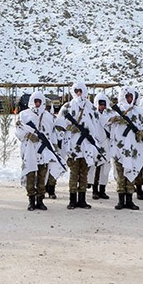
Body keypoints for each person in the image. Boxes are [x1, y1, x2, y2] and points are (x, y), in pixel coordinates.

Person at [55, 82, 105, 210]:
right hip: (72, 145)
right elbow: (59, 124)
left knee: (84, 173)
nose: (78, 94)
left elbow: (96, 123)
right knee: (74, 173)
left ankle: (82, 199)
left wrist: (93, 136)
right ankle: (72, 200)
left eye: (80, 91)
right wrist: (69, 127)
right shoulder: (68, 106)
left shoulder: (91, 108)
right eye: (76, 91)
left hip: (87, 145)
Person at [14, 91, 57, 211]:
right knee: (30, 176)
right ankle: (31, 200)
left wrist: (54, 146)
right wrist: (28, 135)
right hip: (30, 150)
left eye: (39, 101)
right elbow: (18, 130)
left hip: (44, 151)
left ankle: (40, 200)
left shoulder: (48, 116)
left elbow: (52, 133)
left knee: (42, 177)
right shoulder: (24, 115)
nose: (37, 104)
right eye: (35, 101)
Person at [109, 86, 143, 211]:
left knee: (131, 172)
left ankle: (130, 200)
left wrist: (142, 132)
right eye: (127, 96)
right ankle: (121, 200)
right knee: (121, 175)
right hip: (119, 147)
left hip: (133, 148)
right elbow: (105, 120)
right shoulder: (116, 110)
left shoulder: (138, 111)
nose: (129, 99)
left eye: (131, 96)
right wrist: (115, 119)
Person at [87, 92, 112, 202]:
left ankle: (102, 189)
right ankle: (95, 190)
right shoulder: (92, 115)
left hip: (106, 143)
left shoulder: (109, 115)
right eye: (100, 104)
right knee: (95, 168)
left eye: (104, 104)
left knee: (105, 168)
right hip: (96, 143)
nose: (102, 106)